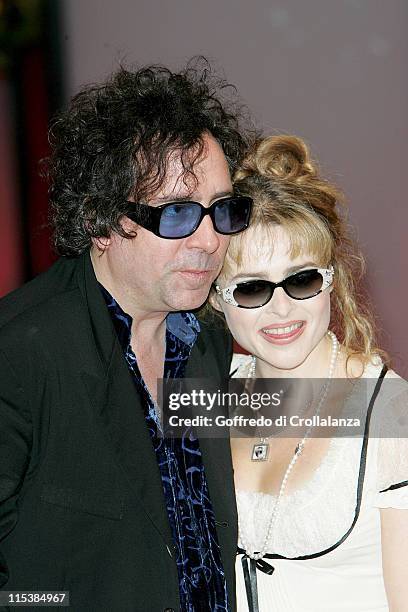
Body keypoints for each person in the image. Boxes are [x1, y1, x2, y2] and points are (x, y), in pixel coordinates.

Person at [0, 61, 254, 611]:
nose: (210, 240)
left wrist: (378, 397)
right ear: (99, 220)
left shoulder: (206, 337)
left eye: (223, 210)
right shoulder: (22, 352)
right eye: (179, 213)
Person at [210, 135, 408, 611]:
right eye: (252, 288)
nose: (281, 309)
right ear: (216, 298)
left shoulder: (393, 416)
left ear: (331, 280)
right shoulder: (209, 394)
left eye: (302, 279)